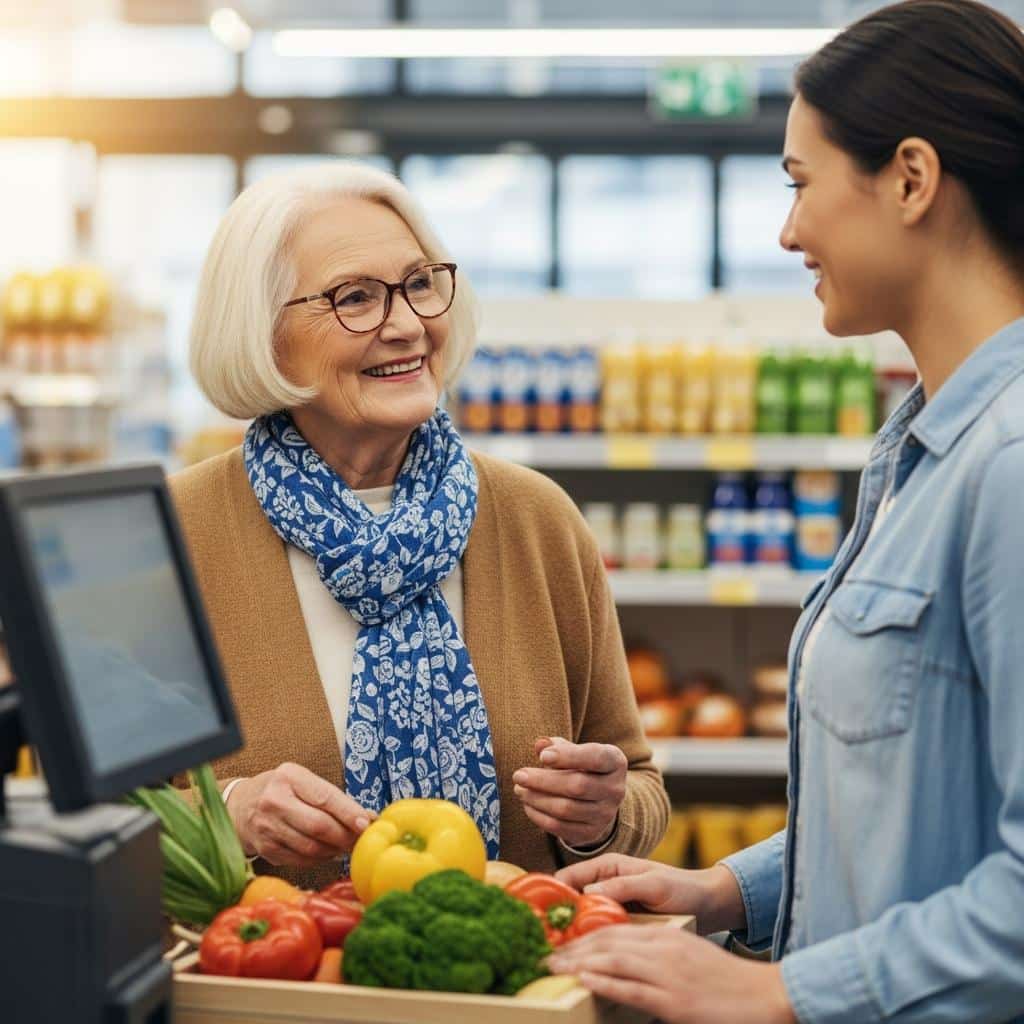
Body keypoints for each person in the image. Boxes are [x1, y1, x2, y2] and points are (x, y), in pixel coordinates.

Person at [547, 2, 1024, 1021]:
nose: (788, 229)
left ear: (910, 178)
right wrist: (727, 890)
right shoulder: (918, 447)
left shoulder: (1010, 465)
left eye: (800, 184)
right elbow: (910, 807)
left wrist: (779, 991)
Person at [170, 162, 669, 890]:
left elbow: (642, 787)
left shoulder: (536, 521)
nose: (406, 325)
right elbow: (99, 820)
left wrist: (603, 816)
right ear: (263, 331)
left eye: (420, 284)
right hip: (268, 990)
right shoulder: (176, 535)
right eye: (356, 298)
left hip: (512, 985)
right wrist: (231, 814)